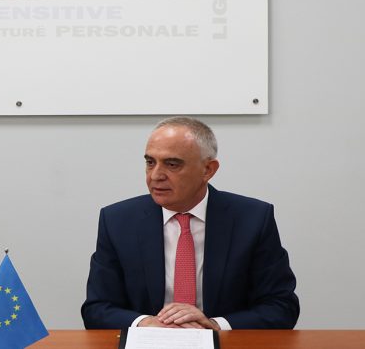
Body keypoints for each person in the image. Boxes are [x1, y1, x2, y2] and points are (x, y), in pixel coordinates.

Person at [82, 117, 299, 330]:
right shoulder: (118, 221)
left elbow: (281, 307)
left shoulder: (253, 219)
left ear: (208, 170)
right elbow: (97, 308)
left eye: (172, 164)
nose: (156, 175)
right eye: (150, 162)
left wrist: (215, 325)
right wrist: (146, 323)